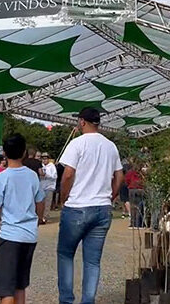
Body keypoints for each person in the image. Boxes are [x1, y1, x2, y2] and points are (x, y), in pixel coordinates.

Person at [57, 107, 124, 304]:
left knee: (65, 255)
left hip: (77, 206)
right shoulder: (110, 146)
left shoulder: (77, 144)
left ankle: (67, 300)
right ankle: (88, 300)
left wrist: (64, 198)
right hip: (102, 208)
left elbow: (68, 174)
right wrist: (111, 196)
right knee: (92, 261)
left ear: (82, 122)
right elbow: (119, 175)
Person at [0, 134, 45, 304]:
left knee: (6, 288)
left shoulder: (1, 178)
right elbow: (40, 202)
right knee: (20, 285)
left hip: (9, 235)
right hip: (29, 235)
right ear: (24, 152)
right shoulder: (32, 176)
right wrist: (37, 221)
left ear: (4, 152)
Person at [125, 162, 145, 229]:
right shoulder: (142, 173)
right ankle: (139, 223)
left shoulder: (130, 172)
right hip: (140, 189)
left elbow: (126, 180)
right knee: (140, 207)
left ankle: (133, 223)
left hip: (132, 189)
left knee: (133, 207)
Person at [40, 152, 57, 224]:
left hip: (49, 187)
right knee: (41, 203)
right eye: (43, 159)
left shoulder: (52, 166)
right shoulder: (40, 166)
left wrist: (46, 175)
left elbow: (54, 176)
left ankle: (45, 217)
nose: (44, 160)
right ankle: (40, 216)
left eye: (46, 159)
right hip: (41, 186)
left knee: (47, 203)